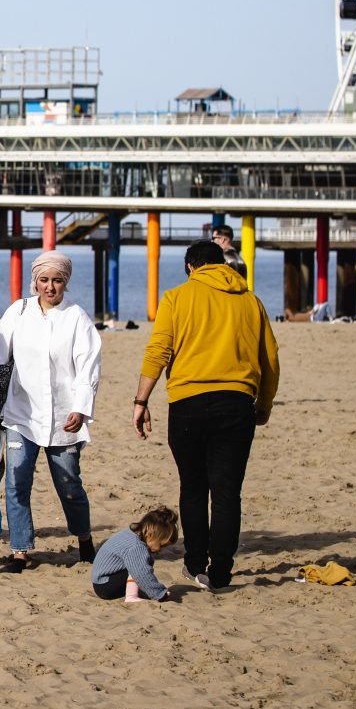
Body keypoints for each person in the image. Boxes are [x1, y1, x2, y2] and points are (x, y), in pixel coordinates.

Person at [133, 240, 280, 591]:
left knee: (194, 486)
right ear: (225, 266)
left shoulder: (176, 298)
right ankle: (222, 571)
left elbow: (159, 350)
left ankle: (196, 562)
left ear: (190, 268)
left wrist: (141, 400)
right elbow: (270, 359)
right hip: (237, 402)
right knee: (228, 492)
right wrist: (265, 404)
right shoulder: (250, 301)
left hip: (188, 403)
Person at [0, 251, 100, 573]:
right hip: (20, 415)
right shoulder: (18, 311)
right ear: (35, 281)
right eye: (44, 280)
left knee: (69, 483)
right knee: (17, 482)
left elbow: (89, 368)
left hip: (64, 417)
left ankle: (84, 539)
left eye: (57, 280)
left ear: (66, 283)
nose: (50, 287)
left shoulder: (77, 318)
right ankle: (20, 551)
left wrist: (80, 408)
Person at [90, 506, 178, 603]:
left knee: (138, 565)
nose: (160, 550)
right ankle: (131, 597)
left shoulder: (131, 533)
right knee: (138, 568)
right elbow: (142, 574)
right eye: (161, 545)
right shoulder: (136, 546)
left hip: (100, 581)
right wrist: (159, 594)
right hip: (105, 586)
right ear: (151, 535)